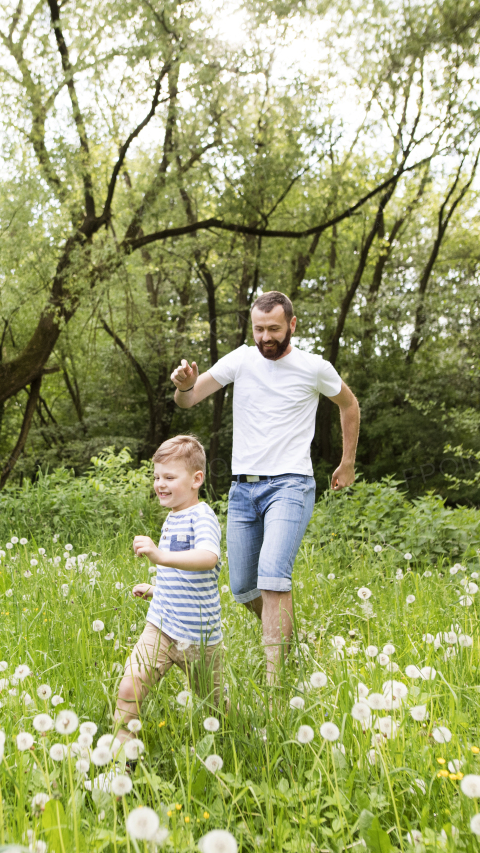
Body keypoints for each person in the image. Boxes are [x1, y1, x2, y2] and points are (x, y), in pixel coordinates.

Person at [170, 291, 360, 685]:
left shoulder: (314, 367)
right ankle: (293, 638)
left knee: (274, 575)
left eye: (274, 329)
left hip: (291, 485)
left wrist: (347, 461)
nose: (266, 337)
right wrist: (185, 385)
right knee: (242, 586)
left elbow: (349, 405)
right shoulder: (241, 359)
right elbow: (188, 401)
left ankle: (276, 688)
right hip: (243, 490)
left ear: (292, 325)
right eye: (259, 329)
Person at [113, 435, 224, 746]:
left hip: (198, 636)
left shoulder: (203, 517)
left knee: (215, 707)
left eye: (169, 477)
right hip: (161, 625)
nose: (160, 484)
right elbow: (180, 570)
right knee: (129, 688)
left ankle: (244, 742)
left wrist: (159, 556)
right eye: (157, 477)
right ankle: (119, 764)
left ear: (196, 479)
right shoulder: (172, 517)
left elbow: (207, 558)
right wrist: (156, 589)